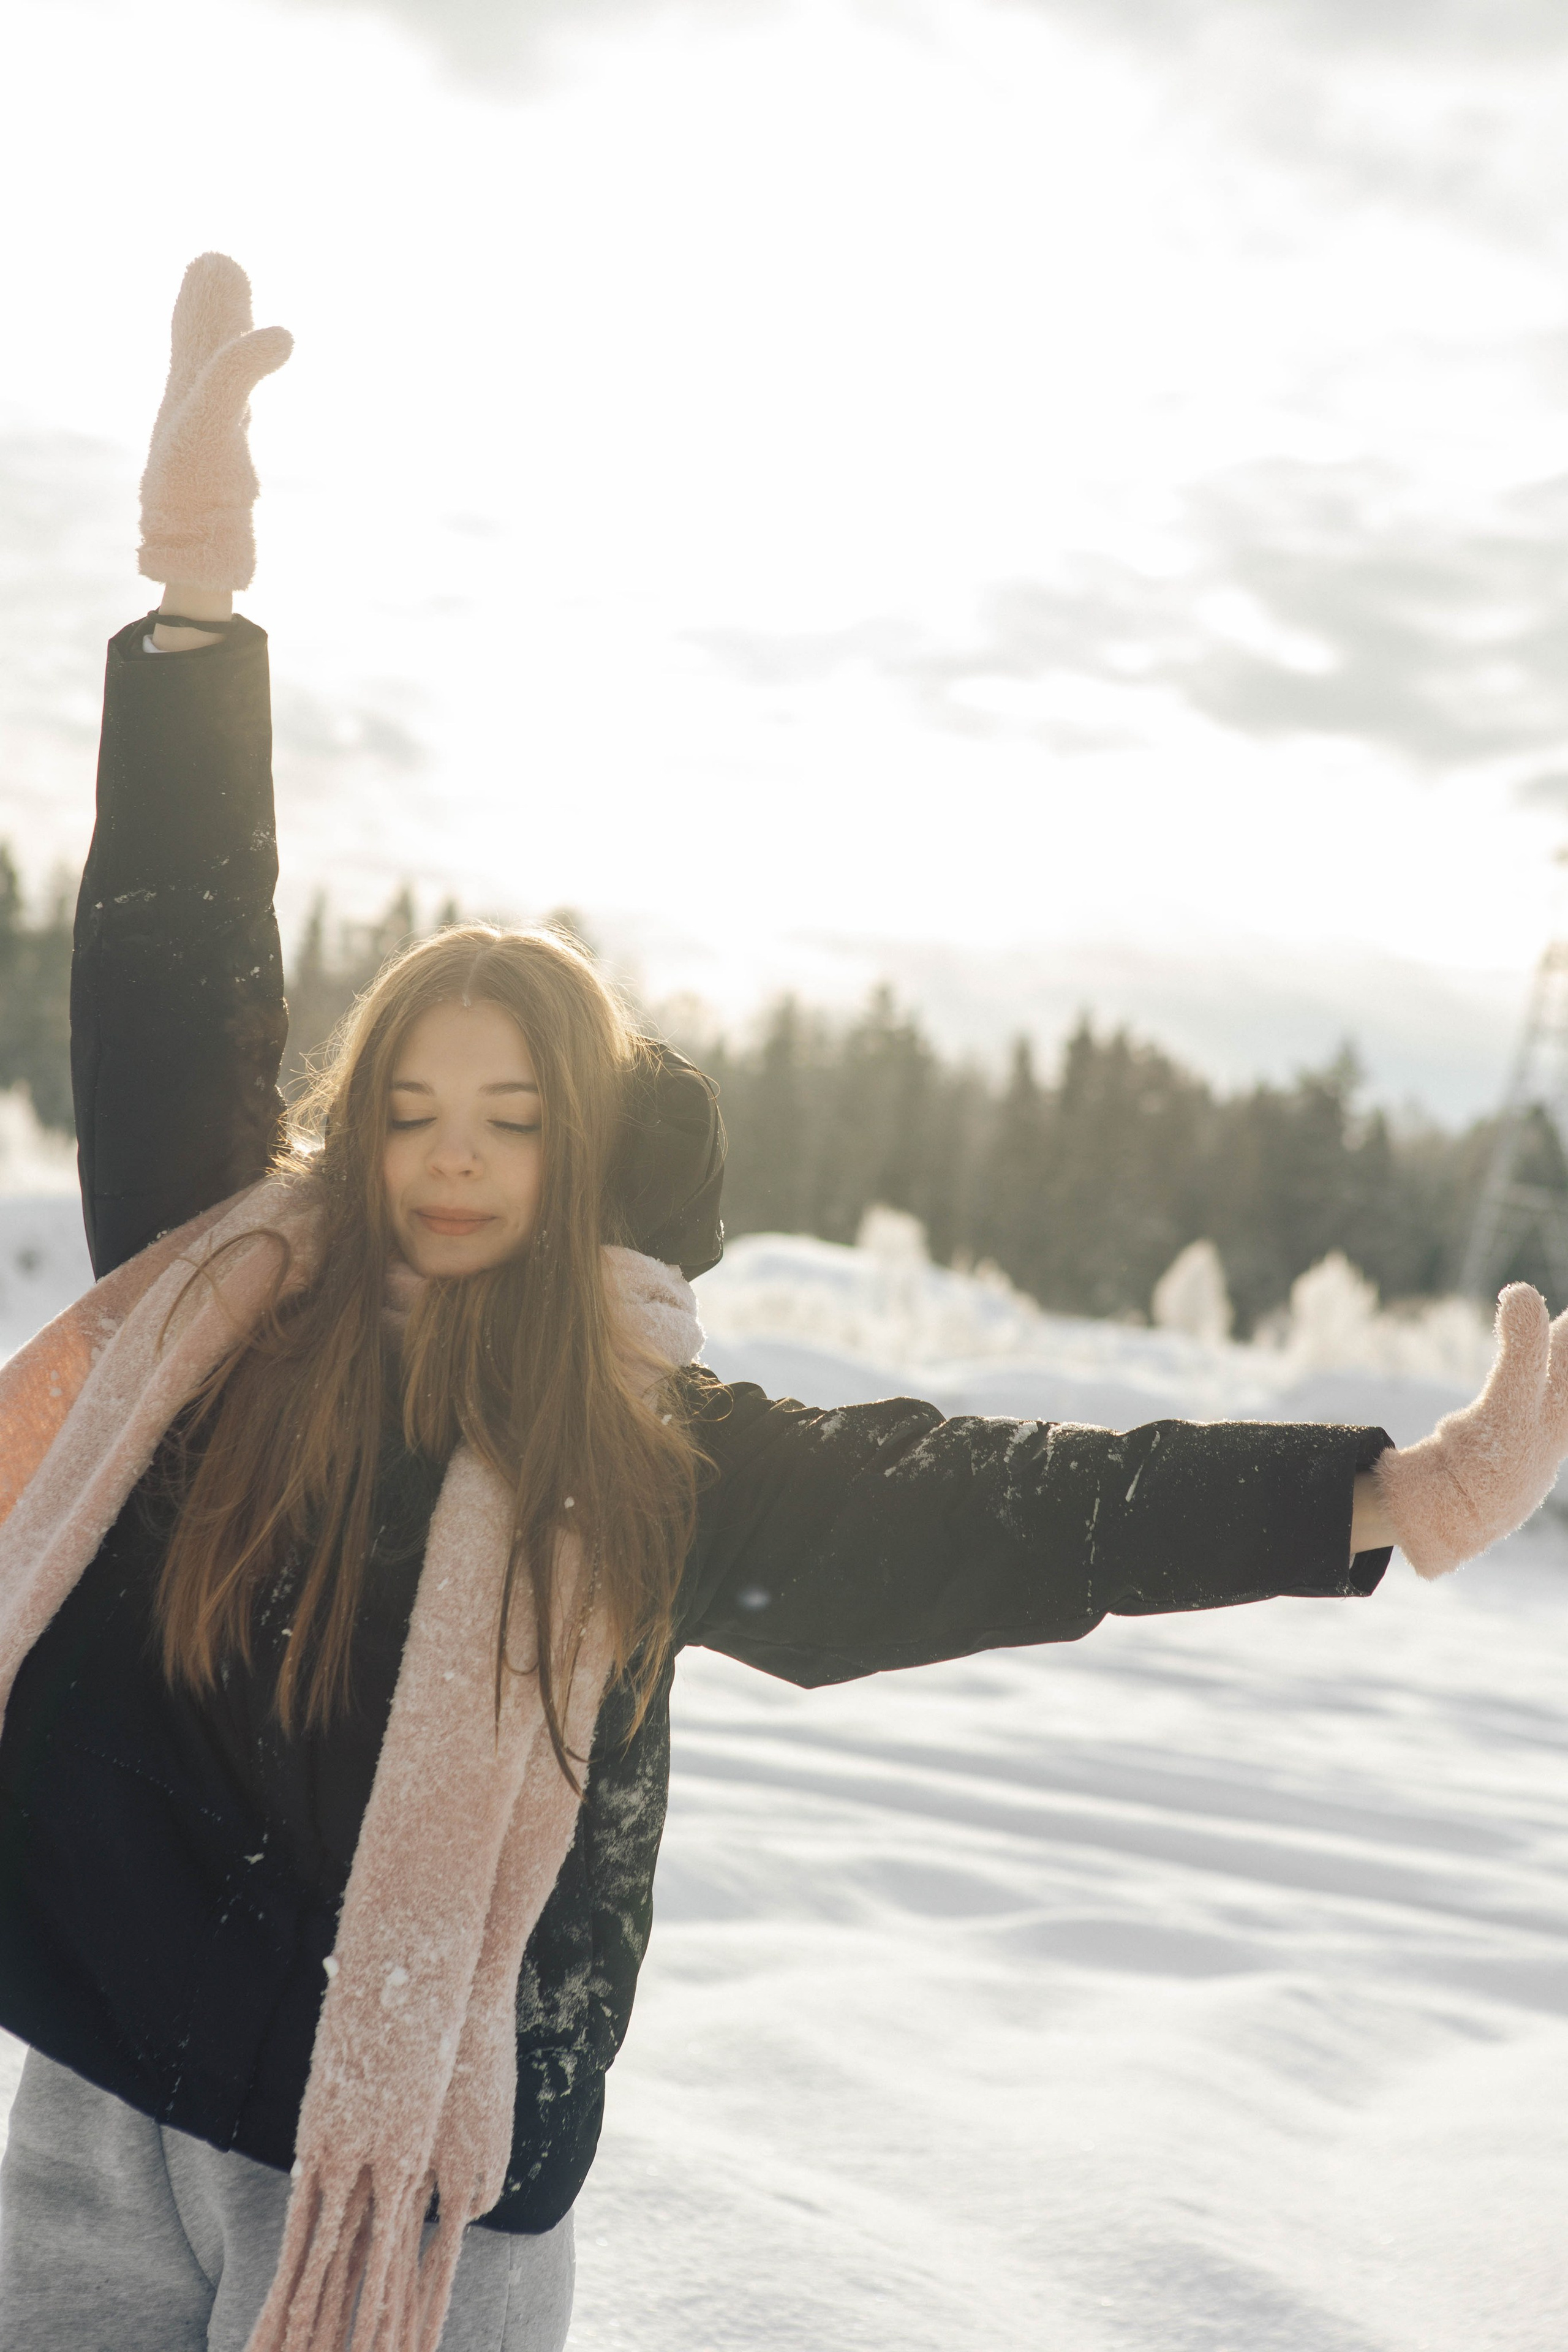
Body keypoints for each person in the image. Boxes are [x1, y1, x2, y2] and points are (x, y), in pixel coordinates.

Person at [0, 257, 1559, 2352]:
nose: (454, 1155)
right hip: (103, 2095)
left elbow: (1001, 1509)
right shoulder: (234, 1308)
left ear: (576, 1166)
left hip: (412, 2186)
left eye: (514, 1119)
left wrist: (1380, 1496)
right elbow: (177, 974)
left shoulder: (646, 1451)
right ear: (357, 1125)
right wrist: (196, 607)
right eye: (416, 1108)